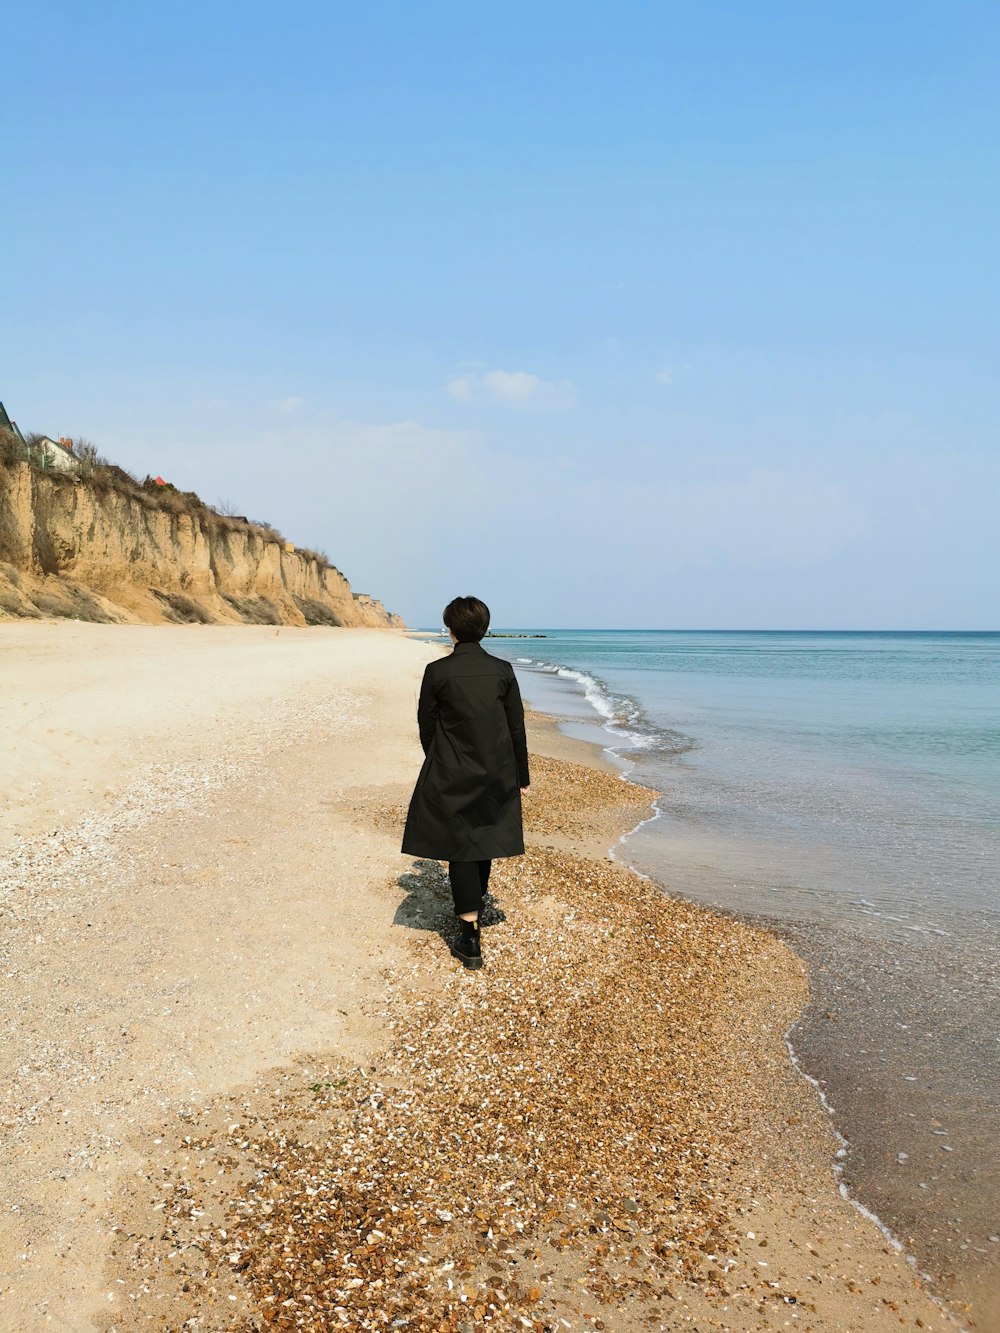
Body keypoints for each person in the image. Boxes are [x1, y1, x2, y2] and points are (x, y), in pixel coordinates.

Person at [401, 596, 530, 970]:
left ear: (451, 630)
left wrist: (438, 759)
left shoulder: (437, 671)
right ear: (484, 629)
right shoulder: (503, 671)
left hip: (452, 768)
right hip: (496, 769)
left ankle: (469, 935)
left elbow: (426, 723)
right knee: (483, 834)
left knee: (460, 845)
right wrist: (521, 774)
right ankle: (475, 902)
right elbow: (516, 728)